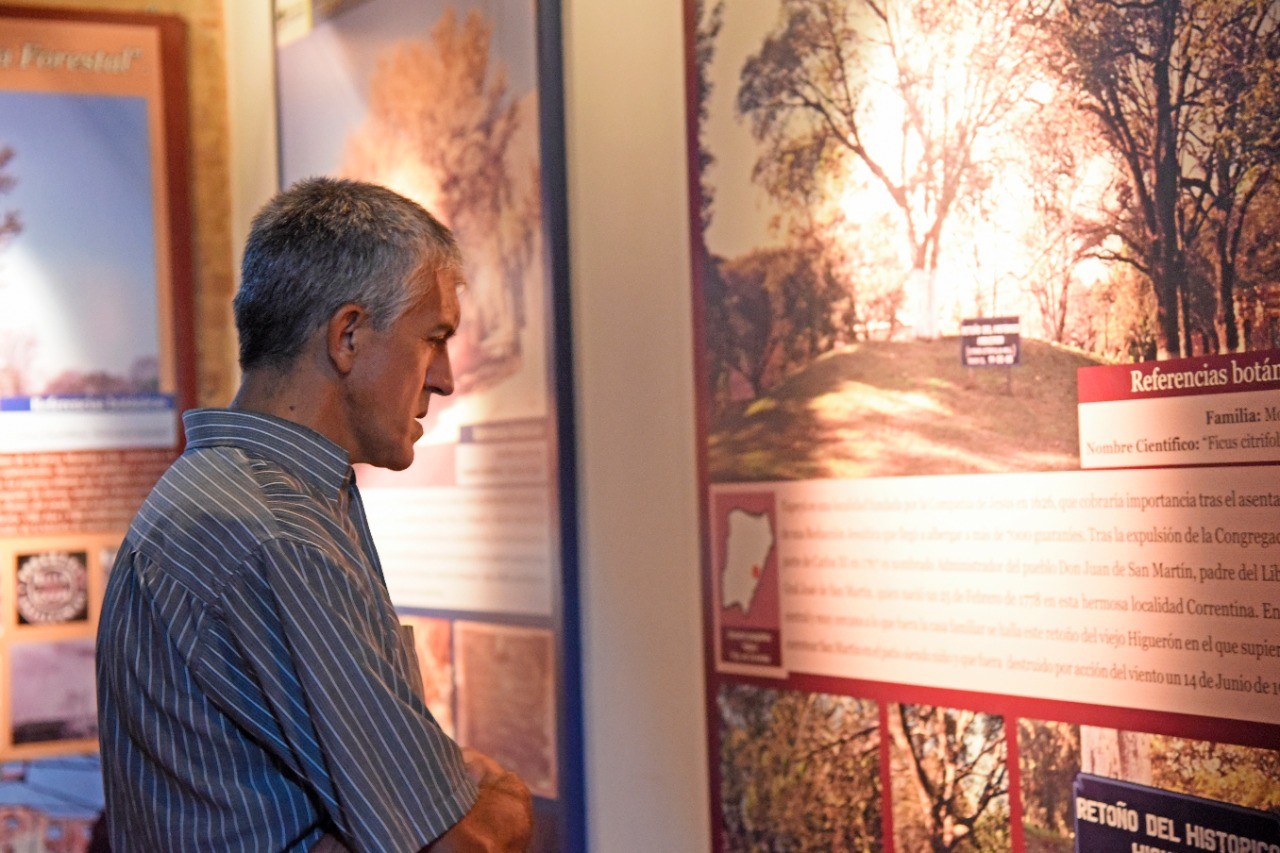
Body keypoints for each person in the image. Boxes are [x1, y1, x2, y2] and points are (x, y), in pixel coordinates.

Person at [95, 177, 533, 852]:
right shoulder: (274, 533)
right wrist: (508, 799)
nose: (444, 377)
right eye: (433, 337)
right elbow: (456, 842)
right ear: (349, 336)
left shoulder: (224, 498)